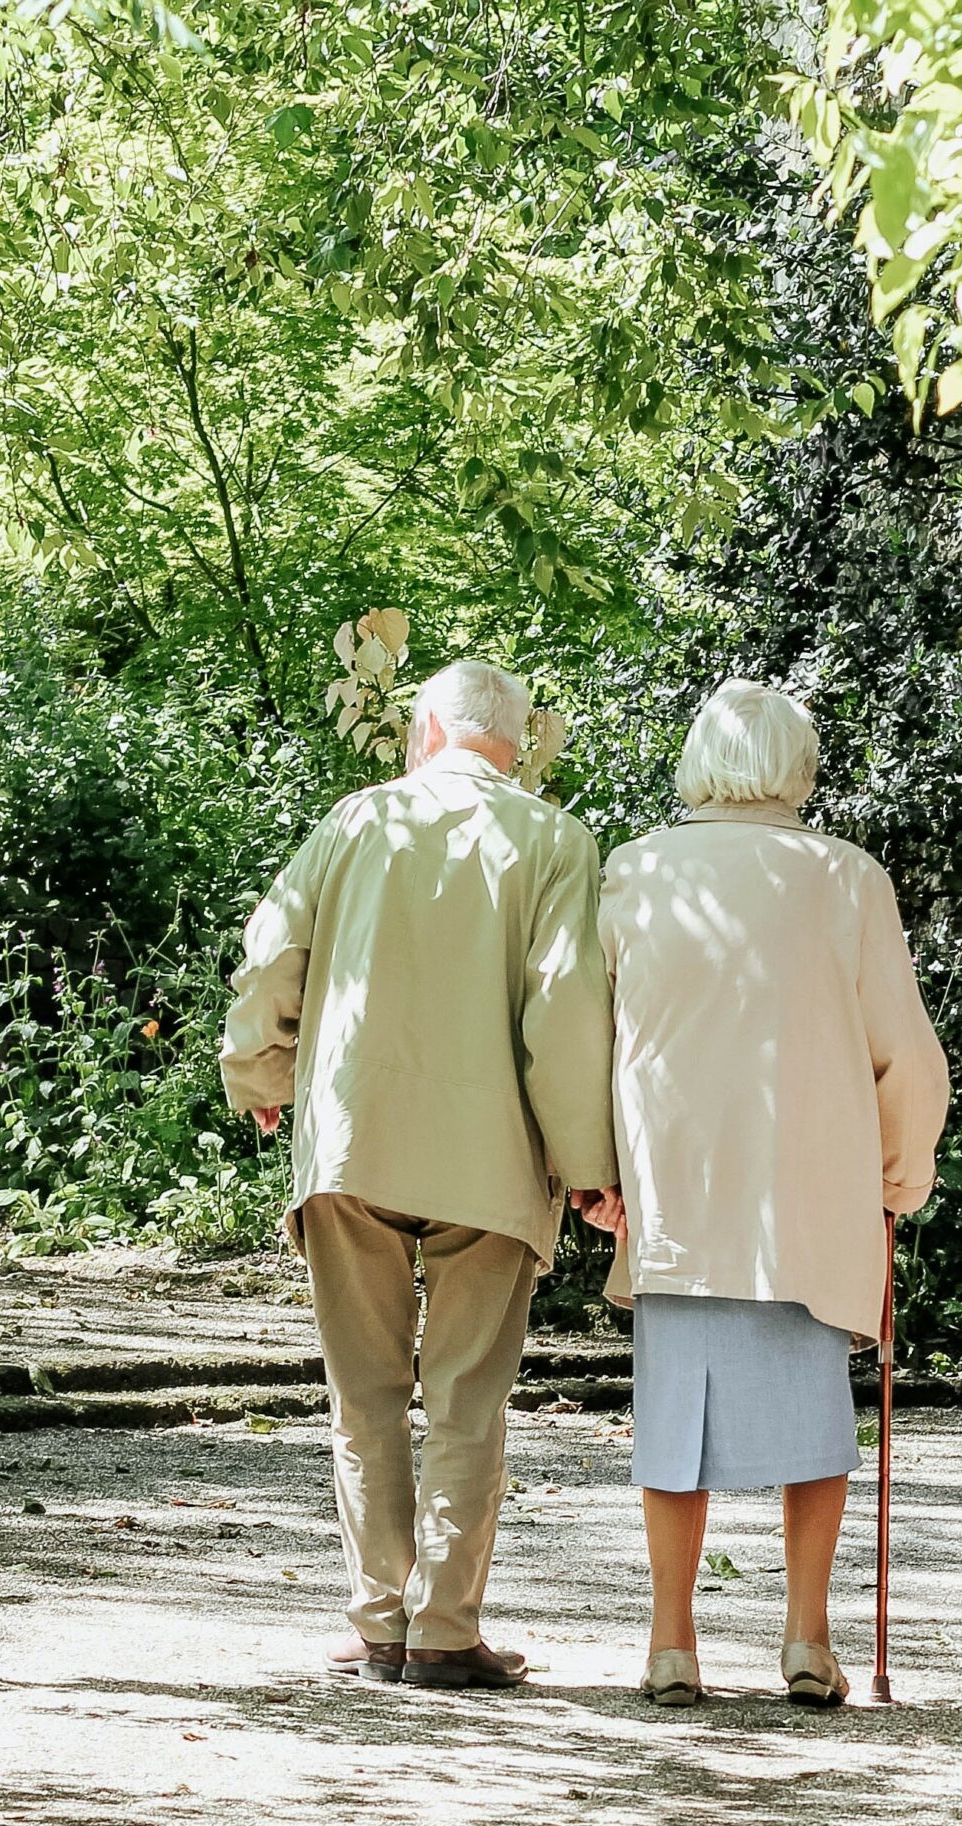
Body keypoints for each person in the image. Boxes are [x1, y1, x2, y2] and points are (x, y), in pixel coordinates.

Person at [220, 659, 618, 1690]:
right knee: (466, 1398)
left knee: (363, 1394)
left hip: (355, 1139)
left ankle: (378, 1623)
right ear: (516, 743)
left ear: (426, 731)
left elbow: (272, 957)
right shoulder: (555, 840)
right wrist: (587, 1165)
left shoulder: (353, 821)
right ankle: (443, 1630)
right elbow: (565, 1010)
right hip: (491, 1155)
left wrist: (258, 1068)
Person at [586, 679, 949, 1709]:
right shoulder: (845, 879)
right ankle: (805, 1637)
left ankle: (670, 1642)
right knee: (814, 1422)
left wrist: (595, 1172)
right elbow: (905, 1055)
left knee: (671, 1423)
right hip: (809, 1190)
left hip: (679, 1188)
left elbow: (590, 1037)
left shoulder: (635, 870)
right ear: (799, 766)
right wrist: (898, 1170)